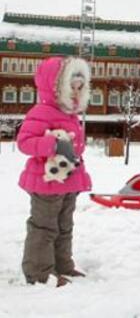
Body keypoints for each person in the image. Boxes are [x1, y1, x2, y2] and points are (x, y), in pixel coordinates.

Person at [17, 56, 92, 287]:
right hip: (46, 182)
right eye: (72, 86)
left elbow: (74, 150)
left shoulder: (71, 115)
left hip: (67, 181)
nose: (76, 92)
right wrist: (51, 144)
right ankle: (39, 272)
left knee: (64, 227)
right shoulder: (42, 111)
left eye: (81, 87)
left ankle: (63, 265)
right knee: (45, 227)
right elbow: (24, 142)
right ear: (56, 87)